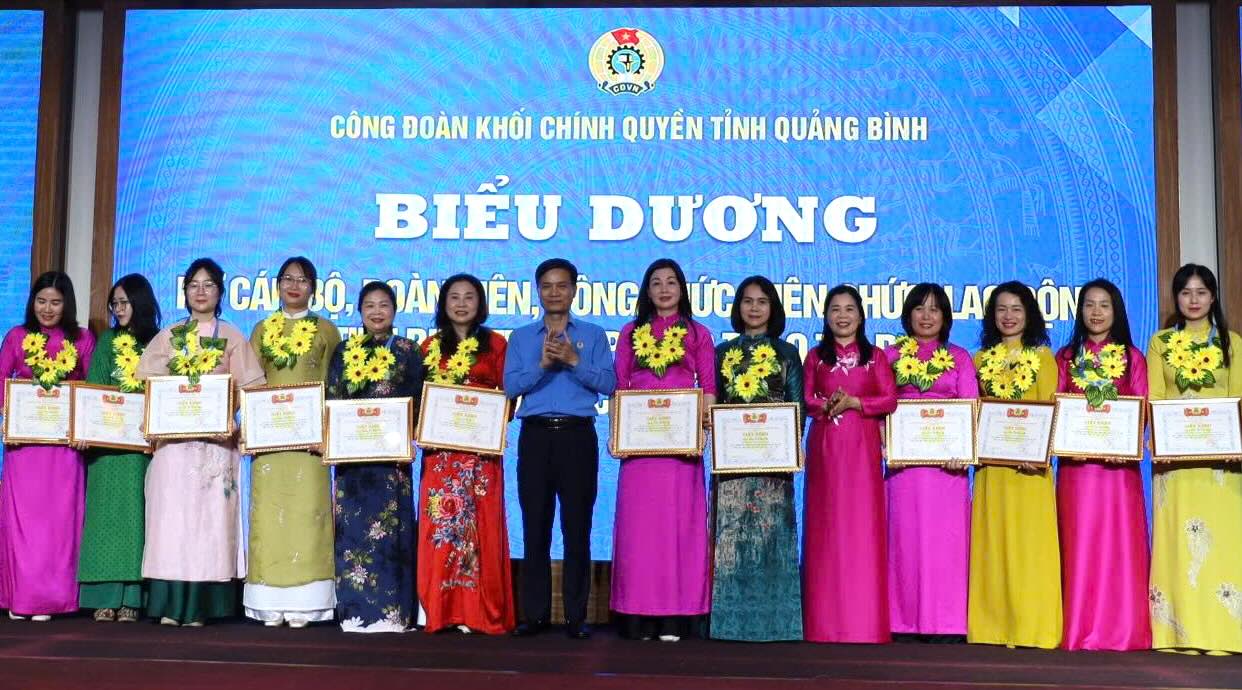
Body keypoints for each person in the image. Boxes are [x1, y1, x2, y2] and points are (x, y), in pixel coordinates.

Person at [136, 258, 265, 626]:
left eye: (209, 284)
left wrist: (228, 417)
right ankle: (169, 604)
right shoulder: (168, 337)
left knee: (209, 524)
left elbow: (252, 389)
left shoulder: (232, 337)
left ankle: (203, 607)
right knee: (172, 522)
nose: (201, 291)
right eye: (194, 284)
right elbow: (148, 386)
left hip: (215, 448)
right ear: (185, 291)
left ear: (220, 291)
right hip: (174, 450)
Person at [504, 258, 615, 639]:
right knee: (535, 527)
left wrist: (573, 361)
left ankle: (576, 617)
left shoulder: (594, 335)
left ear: (574, 290)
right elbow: (511, 387)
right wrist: (542, 364)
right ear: (538, 290)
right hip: (534, 436)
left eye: (562, 285)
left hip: (577, 436)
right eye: (547, 286)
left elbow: (609, 384)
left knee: (577, 528)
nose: (554, 292)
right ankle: (533, 615)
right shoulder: (520, 338)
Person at [611, 258, 717, 643]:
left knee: (678, 531)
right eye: (656, 282)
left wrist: (702, 424)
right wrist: (617, 434)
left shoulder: (697, 333)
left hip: (680, 451)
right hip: (640, 450)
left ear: (682, 288)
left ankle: (675, 616)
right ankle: (638, 615)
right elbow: (620, 389)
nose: (665, 288)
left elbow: (707, 386)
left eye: (672, 281)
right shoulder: (630, 332)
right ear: (647, 290)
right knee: (641, 533)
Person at [1147, 264, 1242, 655]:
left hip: (1221, 464)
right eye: (1186, 292)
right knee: (1179, 547)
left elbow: (1238, 399)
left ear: (1213, 297)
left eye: (1201, 292)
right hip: (1176, 464)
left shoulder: (1231, 342)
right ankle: (1176, 635)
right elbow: (1155, 398)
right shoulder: (1161, 343)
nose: (1193, 300)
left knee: (1222, 546)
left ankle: (1223, 634)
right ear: (1176, 298)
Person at [244, 257, 341, 628]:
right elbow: (251, 384)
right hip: (270, 443)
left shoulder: (326, 330)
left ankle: (308, 602)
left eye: (302, 279)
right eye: (287, 278)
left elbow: (336, 388)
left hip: (309, 444)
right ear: (278, 285)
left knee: (307, 515)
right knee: (270, 516)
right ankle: (267, 601)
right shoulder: (261, 329)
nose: (294, 285)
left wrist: (330, 432)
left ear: (313, 286)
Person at [1055, 278, 1150, 651]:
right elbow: (1057, 405)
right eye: (1090, 305)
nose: (1096, 312)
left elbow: (1140, 407)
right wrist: (1065, 443)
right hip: (1077, 471)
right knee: (1080, 544)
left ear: (1116, 311)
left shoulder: (1132, 357)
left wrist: (1125, 443)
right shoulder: (1065, 357)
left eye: (1104, 305)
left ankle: (1122, 628)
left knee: (1119, 546)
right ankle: (1079, 628)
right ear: (1080, 311)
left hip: (1118, 471)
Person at [417, 274, 514, 635]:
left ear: (481, 303)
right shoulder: (428, 347)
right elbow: (419, 400)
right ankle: (441, 610)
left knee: (479, 529)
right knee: (442, 530)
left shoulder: (497, 345)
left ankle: (478, 612)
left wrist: (488, 419)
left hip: (480, 458)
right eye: (454, 297)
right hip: (441, 458)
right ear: (443, 303)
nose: (461, 303)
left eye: (469, 297)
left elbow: (509, 398)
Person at [326, 281, 425, 633]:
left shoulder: (409, 351)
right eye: (369, 305)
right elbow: (333, 401)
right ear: (360, 311)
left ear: (395, 310)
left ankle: (394, 614)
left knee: (392, 536)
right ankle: (354, 613)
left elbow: (418, 404)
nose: (377, 311)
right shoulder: (343, 351)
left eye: (384, 304)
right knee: (352, 536)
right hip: (353, 465)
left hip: (391, 464)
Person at [967, 281, 1062, 648]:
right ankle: (992, 628)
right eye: (1002, 309)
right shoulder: (979, 360)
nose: (1008, 316)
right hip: (993, 471)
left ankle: (1033, 628)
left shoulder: (1043, 358)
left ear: (1029, 315)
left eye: (1016, 309)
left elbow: (1051, 411)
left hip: (1031, 472)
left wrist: (1039, 454)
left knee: (1029, 548)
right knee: (995, 546)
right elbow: (973, 415)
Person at [709, 276, 802, 642]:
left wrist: (793, 444)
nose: (754, 308)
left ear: (773, 308)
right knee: (730, 540)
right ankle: (727, 625)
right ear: (738, 308)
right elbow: (714, 405)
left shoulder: (787, 353)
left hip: (773, 462)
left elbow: (797, 407)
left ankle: (778, 625)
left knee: (771, 539)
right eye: (747, 301)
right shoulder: (722, 353)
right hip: (732, 463)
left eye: (762, 301)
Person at [801, 284, 897, 643]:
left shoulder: (875, 357)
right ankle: (825, 624)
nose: (842, 316)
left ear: (861, 315)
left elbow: (889, 399)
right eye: (835, 310)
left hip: (862, 449)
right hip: (826, 448)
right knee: (827, 529)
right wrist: (826, 404)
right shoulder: (815, 357)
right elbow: (807, 398)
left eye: (849, 309)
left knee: (862, 529)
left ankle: (864, 622)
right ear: (826, 317)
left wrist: (856, 403)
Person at [0, 271, 96, 621]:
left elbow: (90, 389)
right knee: (23, 523)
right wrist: (7, 413)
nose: (48, 308)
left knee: (58, 524)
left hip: (63, 448)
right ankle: (21, 596)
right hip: (25, 447)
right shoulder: (16, 336)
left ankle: (52, 599)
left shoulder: (82, 339)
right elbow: (1, 378)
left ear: (66, 303)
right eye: (42, 301)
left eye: (55, 302)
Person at [884, 283, 977, 642]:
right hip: (904, 470)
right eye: (920, 309)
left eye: (935, 309)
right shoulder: (891, 356)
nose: (926, 316)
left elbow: (971, 408)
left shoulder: (960, 357)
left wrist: (964, 450)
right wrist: (883, 440)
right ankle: (902, 620)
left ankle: (948, 622)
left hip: (947, 470)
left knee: (946, 546)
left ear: (946, 317)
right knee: (904, 544)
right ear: (908, 315)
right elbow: (881, 406)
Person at [77, 274, 161, 623]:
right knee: (104, 523)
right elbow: (95, 389)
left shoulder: (158, 343)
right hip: (107, 449)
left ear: (140, 302)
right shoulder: (108, 341)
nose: (118, 309)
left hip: (142, 450)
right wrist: (85, 428)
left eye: (125, 302)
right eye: (114, 303)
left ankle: (132, 599)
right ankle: (104, 597)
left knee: (136, 523)